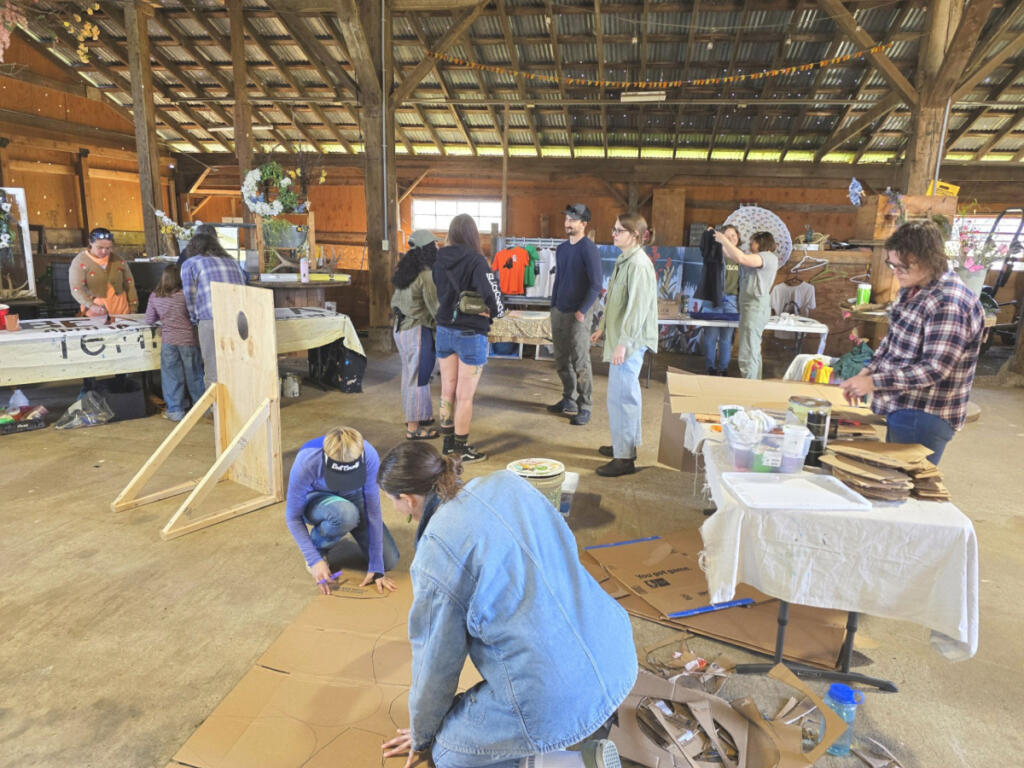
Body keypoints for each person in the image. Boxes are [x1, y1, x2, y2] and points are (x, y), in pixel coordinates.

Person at [378, 442, 636, 768]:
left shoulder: (436, 550)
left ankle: (575, 763)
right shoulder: (506, 482)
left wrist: (422, 734)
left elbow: (435, 663)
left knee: (446, 754)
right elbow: (565, 544)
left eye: (392, 503)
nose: (398, 512)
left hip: (557, 697)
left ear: (407, 499)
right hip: (616, 651)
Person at [840, 220, 984, 464]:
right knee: (892, 476)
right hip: (903, 403)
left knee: (906, 484)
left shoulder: (948, 302)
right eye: (892, 264)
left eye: (903, 266)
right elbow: (893, 338)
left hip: (926, 413)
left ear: (929, 260)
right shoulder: (914, 287)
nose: (896, 272)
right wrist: (868, 370)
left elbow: (934, 369)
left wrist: (873, 382)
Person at [285, 426, 400, 596]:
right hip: (318, 499)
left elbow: (373, 511)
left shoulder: (369, 456)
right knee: (345, 514)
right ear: (326, 459)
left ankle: (347, 521)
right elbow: (293, 517)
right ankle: (319, 548)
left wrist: (376, 564)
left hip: (354, 496)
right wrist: (314, 559)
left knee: (388, 561)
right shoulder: (307, 462)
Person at [433, 213, 505, 463]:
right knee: (464, 396)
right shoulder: (477, 260)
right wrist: (498, 311)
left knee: (446, 391)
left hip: (443, 330)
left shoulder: (439, 257)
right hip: (471, 332)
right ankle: (461, 449)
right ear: (473, 235)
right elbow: (492, 292)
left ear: (451, 233)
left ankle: (447, 444)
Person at [590, 213, 658, 478]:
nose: (614, 233)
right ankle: (623, 445)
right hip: (620, 338)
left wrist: (624, 343)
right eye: (614, 228)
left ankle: (625, 459)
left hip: (629, 342)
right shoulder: (624, 260)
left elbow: (637, 309)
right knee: (618, 396)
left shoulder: (639, 264)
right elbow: (616, 301)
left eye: (619, 230)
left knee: (623, 397)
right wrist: (603, 327)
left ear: (635, 235)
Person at [547, 203, 603, 426]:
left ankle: (585, 405)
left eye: (573, 219)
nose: (568, 223)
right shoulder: (562, 249)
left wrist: (582, 310)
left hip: (579, 312)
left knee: (580, 360)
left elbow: (596, 284)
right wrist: (552, 305)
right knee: (560, 358)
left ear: (584, 224)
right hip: (559, 309)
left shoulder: (588, 249)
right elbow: (559, 279)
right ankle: (568, 398)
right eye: (567, 219)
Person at [180, 232, 248, 388]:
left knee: (213, 371)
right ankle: (239, 408)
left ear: (193, 248)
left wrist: (194, 319)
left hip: (211, 319)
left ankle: (216, 411)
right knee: (237, 366)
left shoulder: (191, 263)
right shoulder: (233, 262)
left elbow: (190, 296)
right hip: (240, 319)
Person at [392, 229, 441, 440]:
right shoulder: (426, 275)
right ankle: (413, 429)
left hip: (401, 329)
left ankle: (420, 415)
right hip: (417, 330)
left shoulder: (405, 270)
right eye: (435, 245)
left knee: (410, 375)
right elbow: (435, 308)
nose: (438, 248)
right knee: (418, 378)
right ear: (428, 249)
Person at [715, 229, 779, 379]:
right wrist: (719, 242)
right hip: (751, 308)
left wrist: (724, 239)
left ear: (761, 242)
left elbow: (741, 258)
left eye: (753, 242)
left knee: (748, 351)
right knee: (753, 350)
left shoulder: (767, 257)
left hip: (755, 308)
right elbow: (733, 255)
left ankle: (749, 386)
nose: (750, 244)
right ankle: (755, 386)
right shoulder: (758, 257)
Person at [145, 264, 205, 421]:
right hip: (188, 340)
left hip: (168, 341)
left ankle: (175, 411)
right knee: (195, 376)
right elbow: (195, 316)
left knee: (171, 376)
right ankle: (202, 409)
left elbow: (149, 320)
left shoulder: (155, 296)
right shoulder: (186, 295)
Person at [698, 224, 741, 375]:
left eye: (733, 236)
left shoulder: (740, 257)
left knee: (726, 338)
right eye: (727, 236)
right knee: (710, 336)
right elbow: (703, 248)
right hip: (712, 299)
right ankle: (710, 367)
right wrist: (709, 235)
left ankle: (723, 369)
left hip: (732, 301)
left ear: (738, 238)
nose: (730, 239)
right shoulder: (714, 252)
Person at [69, 228, 138, 318]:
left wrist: (133, 308)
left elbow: (129, 285)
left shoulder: (118, 260)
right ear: (90, 242)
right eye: (100, 247)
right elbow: (76, 288)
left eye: (108, 248)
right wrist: (91, 305)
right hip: (95, 316)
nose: (104, 251)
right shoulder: (80, 261)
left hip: (122, 313)